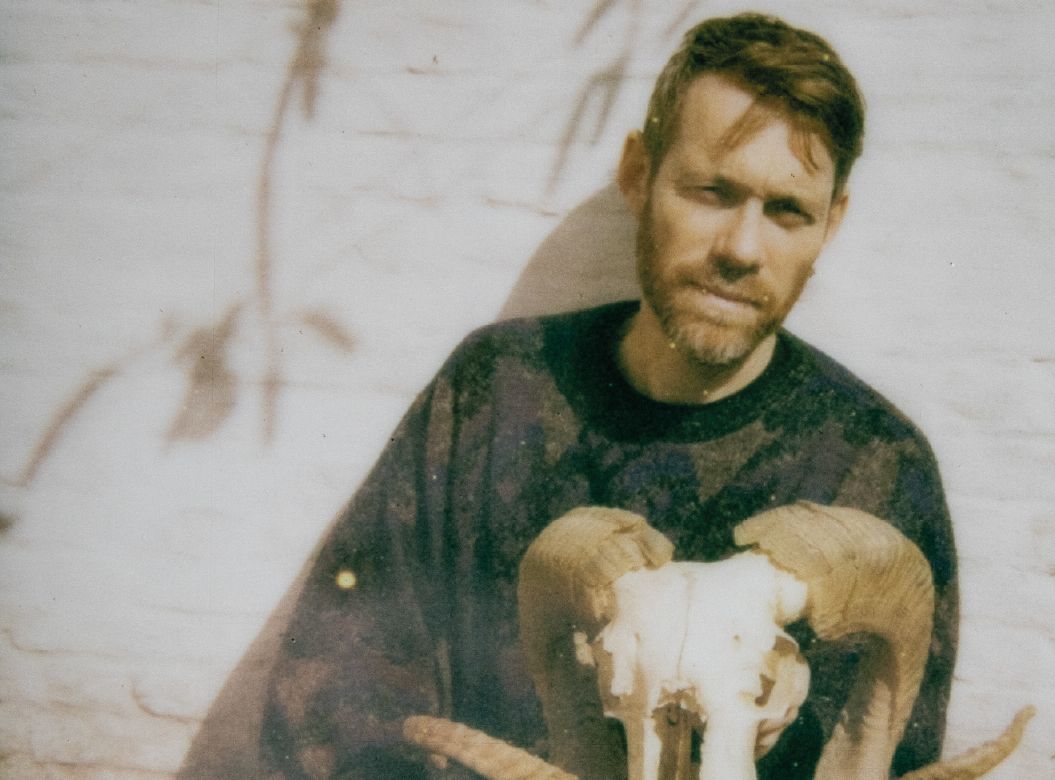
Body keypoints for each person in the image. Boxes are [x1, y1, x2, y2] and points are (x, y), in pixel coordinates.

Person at [258, 13, 957, 778]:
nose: (740, 248)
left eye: (787, 211)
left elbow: (890, 750)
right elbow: (331, 698)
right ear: (638, 174)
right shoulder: (494, 393)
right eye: (712, 192)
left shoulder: (880, 468)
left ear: (831, 223)